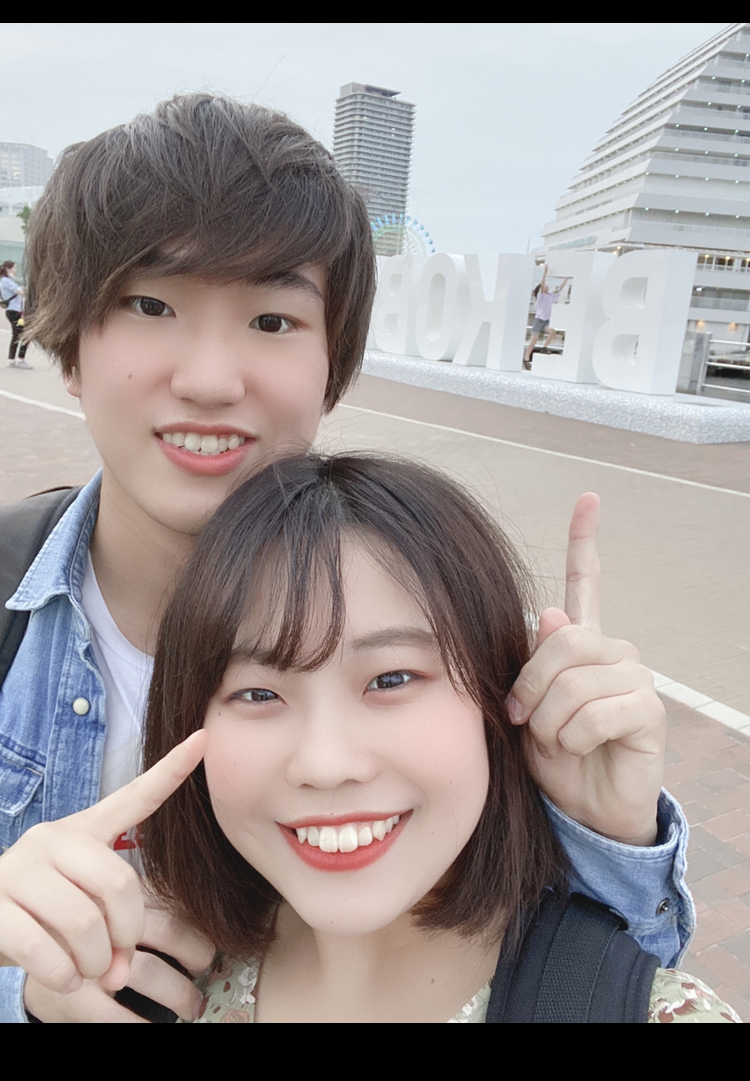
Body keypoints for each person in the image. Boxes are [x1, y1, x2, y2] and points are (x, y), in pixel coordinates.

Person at [0, 93, 690, 1025]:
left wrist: (606, 837)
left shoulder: (469, 670)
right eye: (151, 305)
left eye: (272, 320)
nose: (210, 380)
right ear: (67, 345)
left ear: (336, 361)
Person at [0, 456, 734, 1022]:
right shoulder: (146, 981)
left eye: (391, 680)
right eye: (258, 693)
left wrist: (608, 841)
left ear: (501, 697)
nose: (326, 763)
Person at [523, 264, 569, 370]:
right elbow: (542, 283)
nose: (546, 286)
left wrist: (565, 279)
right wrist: (545, 273)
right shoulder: (541, 296)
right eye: (544, 286)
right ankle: (526, 358)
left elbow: (559, 289)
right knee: (534, 340)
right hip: (539, 320)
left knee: (552, 332)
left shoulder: (551, 296)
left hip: (546, 320)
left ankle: (544, 347)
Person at [1, 261, 31, 367]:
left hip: (14, 311)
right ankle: (20, 359)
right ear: (8, 269)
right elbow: (20, 292)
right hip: (14, 311)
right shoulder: (6, 281)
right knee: (25, 334)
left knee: (17, 334)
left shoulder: (8, 280)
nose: (16, 270)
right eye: (14, 268)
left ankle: (12, 359)